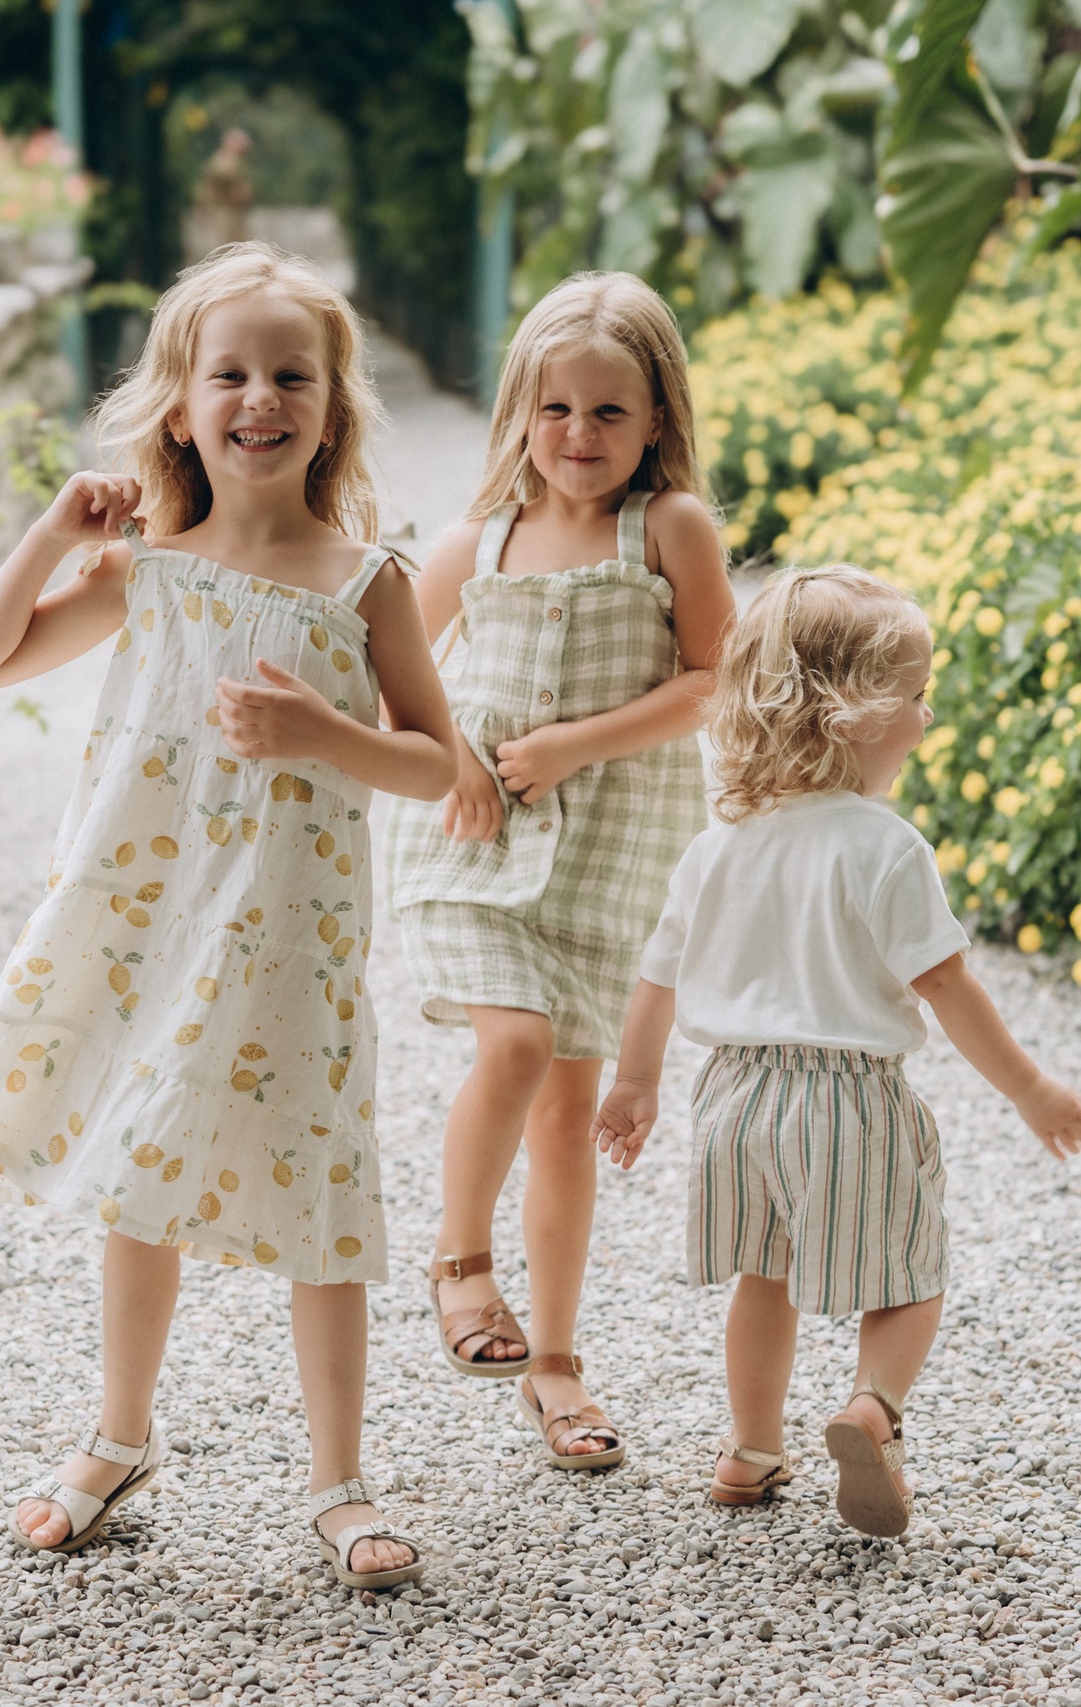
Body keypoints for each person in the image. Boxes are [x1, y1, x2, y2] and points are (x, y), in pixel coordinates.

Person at [0, 242, 460, 1587]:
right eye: (230, 373)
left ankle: (340, 1476)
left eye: (291, 375)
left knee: (320, 1183)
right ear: (178, 403)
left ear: (331, 409)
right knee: (143, 1166)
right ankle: (121, 1431)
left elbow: (449, 769)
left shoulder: (364, 579)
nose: (259, 398)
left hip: (290, 933)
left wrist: (323, 730)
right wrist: (52, 531)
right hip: (149, 920)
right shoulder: (144, 568)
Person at [589, 566, 1081, 1537]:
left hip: (732, 1098)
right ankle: (872, 1408)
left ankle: (748, 1451)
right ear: (852, 716)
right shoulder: (883, 846)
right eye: (914, 696)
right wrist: (1031, 1089)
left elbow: (656, 979)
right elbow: (946, 986)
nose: (925, 716)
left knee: (764, 1274)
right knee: (910, 1274)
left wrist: (632, 1086)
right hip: (848, 1098)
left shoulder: (718, 846)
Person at [387, 272, 734, 1471]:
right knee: (517, 1043)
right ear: (518, 414)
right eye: (555, 411)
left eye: (609, 415)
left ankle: (557, 1363)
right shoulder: (468, 544)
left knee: (567, 1116)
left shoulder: (670, 531)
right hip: (473, 837)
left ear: (655, 422)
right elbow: (397, 680)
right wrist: (457, 765)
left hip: (609, 850)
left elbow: (709, 681)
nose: (578, 438)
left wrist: (575, 744)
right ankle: (459, 1264)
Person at [194, 127, 254, 254]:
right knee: (226, 251)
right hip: (222, 213)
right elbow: (225, 183)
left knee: (236, 250)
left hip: (232, 213)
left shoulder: (234, 161)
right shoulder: (224, 161)